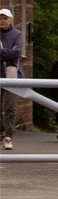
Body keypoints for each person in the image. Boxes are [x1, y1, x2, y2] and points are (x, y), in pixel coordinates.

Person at [0, 9, 21, 150]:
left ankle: (8, 136)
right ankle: (1, 132)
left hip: (12, 74)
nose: (2, 21)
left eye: (5, 18)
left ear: (10, 20)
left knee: (10, 107)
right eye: (0, 18)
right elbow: (12, 53)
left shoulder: (17, 34)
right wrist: (8, 53)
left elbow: (17, 52)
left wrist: (3, 53)